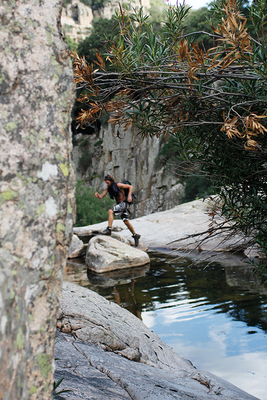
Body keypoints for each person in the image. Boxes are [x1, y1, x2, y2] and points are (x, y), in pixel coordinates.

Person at [94, 175, 141, 247]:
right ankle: (135, 235)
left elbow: (130, 187)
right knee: (126, 221)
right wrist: (98, 196)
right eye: (106, 183)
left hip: (124, 203)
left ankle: (109, 229)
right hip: (120, 205)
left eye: (108, 182)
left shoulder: (118, 185)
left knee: (110, 211)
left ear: (111, 181)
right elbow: (102, 196)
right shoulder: (108, 188)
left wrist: (129, 196)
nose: (107, 184)